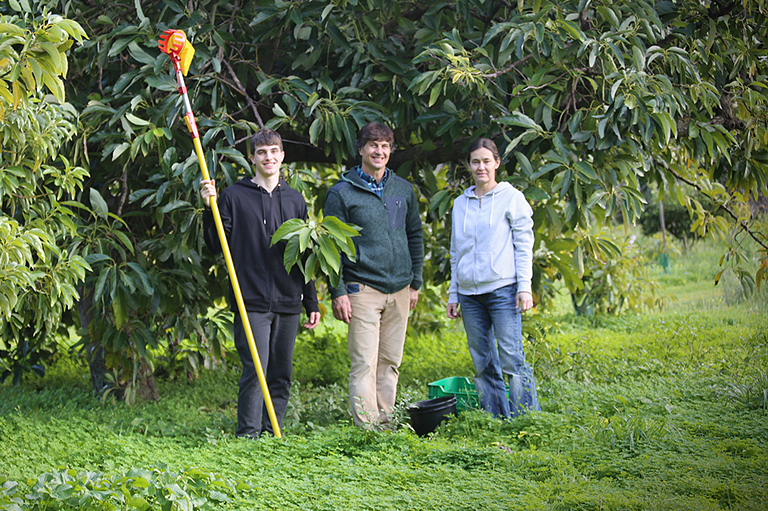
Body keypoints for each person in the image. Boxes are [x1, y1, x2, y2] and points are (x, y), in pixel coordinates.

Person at [200, 128, 321, 438]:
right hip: (250, 299)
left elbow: (304, 253)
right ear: (252, 158)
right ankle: (249, 434)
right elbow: (216, 245)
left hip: (288, 298)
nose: (268, 157)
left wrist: (311, 301)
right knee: (255, 369)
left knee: (281, 373)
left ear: (282, 156)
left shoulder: (295, 199)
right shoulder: (233, 196)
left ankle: (272, 431)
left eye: (273, 151)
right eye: (262, 152)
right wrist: (208, 207)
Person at [324, 122, 424, 427]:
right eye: (373, 145)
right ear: (361, 150)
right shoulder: (341, 194)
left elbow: (414, 235)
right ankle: (367, 430)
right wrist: (338, 290)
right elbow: (331, 246)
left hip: (400, 289)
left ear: (390, 151)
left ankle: (386, 422)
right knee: (364, 363)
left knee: (390, 362)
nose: (379, 151)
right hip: (362, 287)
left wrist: (416, 283)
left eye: (385, 146)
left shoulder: (402, 190)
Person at [446, 137, 540, 418]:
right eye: (476, 162)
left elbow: (524, 245)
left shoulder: (512, 198)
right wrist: (454, 293)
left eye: (487, 161)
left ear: (497, 163)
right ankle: (495, 419)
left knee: (512, 359)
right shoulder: (460, 204)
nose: (481, 167)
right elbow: (455, 251)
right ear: (468, 166)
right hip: (469, 295)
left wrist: (524, 287)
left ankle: (525, 418)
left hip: (503, 290)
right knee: (482, 362)